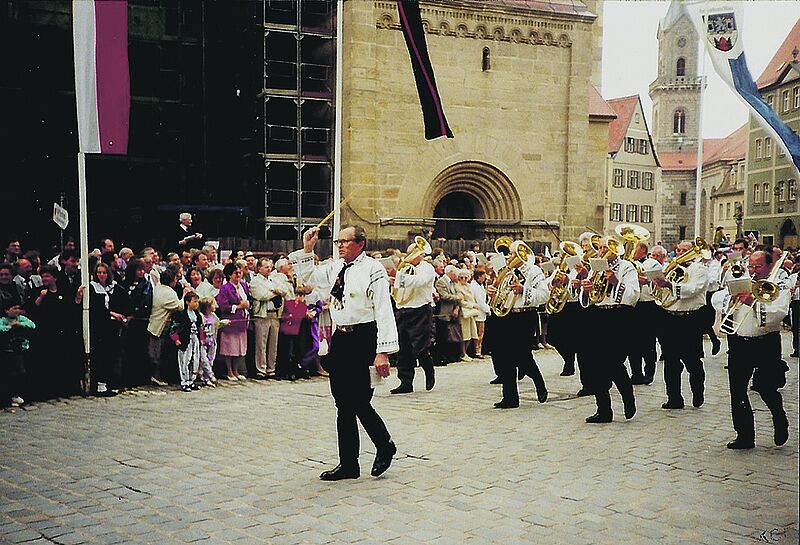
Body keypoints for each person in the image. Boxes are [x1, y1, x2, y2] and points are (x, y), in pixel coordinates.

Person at [290, 225, 398, 481]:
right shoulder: (336, 267)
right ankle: (349, 463)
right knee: (342, 402)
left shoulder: (373, 269)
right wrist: (308, 248)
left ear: (360, 243)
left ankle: (385, 445)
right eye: (337, 241)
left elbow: (383, 310)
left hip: (364, 336)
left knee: (360, 399)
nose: (339, 246)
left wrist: (383, 352)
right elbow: (310, 277)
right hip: (342, 337)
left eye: (345, 242)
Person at [711, 250, 790, 449]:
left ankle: (779, 417)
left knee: (765, 387)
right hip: (739, 343)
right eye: (751, 266)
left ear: (769, 267)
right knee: (737, 390)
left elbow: (779, 312)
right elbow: (717, 298)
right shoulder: (743, 279)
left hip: (766, 342)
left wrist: (752, 302)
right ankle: (745, 436)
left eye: (758, 266)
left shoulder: (779, 285)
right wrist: (731, 297)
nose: (753, 270)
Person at [579, 236, 639, 422]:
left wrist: (615, 281)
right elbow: (587, 300)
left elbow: (633, 296)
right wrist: (586, 289)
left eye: (606, 247)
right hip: (598, 317)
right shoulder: (595, 267)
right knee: (595, 364)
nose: (602, 250)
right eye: (601, 247)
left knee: (613, 362)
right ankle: (603, 409)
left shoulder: (626, 267)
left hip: (618, 317)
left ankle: (627, 395)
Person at [486, 240, 549, 409]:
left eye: (513, 254)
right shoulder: (505, 271)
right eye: (510, 254)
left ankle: (538, 381)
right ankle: (510, 397)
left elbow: (544, 295)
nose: (509, 257)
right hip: (505, 316)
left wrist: (524, 290)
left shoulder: (533, 271)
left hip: (524, 317)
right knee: (503, 356)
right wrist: (491, 291)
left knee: (522, 356)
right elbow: (498, 292)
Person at [651, 239, 709, 410]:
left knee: (692, 361)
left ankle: (697, 392)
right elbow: (662, 293)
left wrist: (669, 284)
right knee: (670, 361)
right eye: (678, 250)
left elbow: (692, 290)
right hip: (670, 317)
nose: (680, 253)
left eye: (684, 250)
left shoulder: (699, 269)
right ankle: (674, 398)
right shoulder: (672, 268)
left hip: (690, 319)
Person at [387, 241, 437, 394]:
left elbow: (419, 282)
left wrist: (399, 277)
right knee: (403, 348)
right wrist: (392, 282)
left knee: (420, 347)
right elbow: (399, 287)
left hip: (420, 309)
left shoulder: (427, 268)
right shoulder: (405, 268)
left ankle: (428, 369)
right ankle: (405, 382)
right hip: (403, 309)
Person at [147, 269, 191, 386]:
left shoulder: (159, 287)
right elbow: (180, 306)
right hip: (158, 326)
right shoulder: (168, 292)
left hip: (156, 323)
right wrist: (185, 294)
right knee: (156, 353)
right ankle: (156, 376)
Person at [216, 263, 250, 381]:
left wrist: (246, 305)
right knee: (229, 347)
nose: (239, 275)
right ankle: (229, 371)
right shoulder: (225, 288)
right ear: (230, 275)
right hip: (231, 321)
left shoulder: (244, 286)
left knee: (239, 348)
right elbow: (223, 306)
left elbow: (248, 300)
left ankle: (236, 370)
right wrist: (238, 306)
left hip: (242, 321)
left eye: (240, 273)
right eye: (236, 273)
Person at [169, 292, 204, 392]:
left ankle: (191, 380)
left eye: (197, 302)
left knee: (195, 359)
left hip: (195, 339)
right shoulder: (181, 315)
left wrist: (201, 338)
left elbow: (200, 327)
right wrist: (176, 339)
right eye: (195, 301)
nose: (197, 304)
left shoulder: (197, 315)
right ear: (187, 302)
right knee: (185, 360)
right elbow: (174, 327)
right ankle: (184, 381)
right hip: (185, 339)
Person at [0, 309, 35, 408]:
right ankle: (9, 397)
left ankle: (16, 394)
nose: (16, 311)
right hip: (7, 351)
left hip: (20, 350)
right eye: (14, 308)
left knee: (21, 372)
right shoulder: (3, 320)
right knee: (9, 374)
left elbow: (32, 325)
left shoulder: (21, 319)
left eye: (17, 308)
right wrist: (9, 327)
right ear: (7, 311)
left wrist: (20, 324)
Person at [198, 297, 225, 387]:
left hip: (212, 340)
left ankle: (206, 379)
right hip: (203, 340)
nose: (216, 306)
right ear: (207, 307)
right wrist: (201, 339)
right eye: (213, 305)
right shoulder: (201, 316)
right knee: (204, 359)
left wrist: (224, 323)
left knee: (210, 359)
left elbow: (218, 325)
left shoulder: (214, 316)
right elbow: (200, 328)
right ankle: (211, 375)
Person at [454, 269, 479, 362]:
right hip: (464, 312)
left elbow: (473, 298)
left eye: (465, 277)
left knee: (472, 333)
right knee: (465, 334)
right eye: (461, 277)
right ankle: (462, 353)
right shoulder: (457, 287)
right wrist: (472, 305)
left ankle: (467, 353)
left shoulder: (469, 286)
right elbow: (461, 301)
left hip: (471, 312)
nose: (464, 279)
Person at [469, 269, 491, 358]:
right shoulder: (474, 286)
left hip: (481, 312)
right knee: (479, 333)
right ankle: (477, 351)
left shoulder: (480, 285)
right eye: (483, 276)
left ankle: (479, 349)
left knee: (481, 333)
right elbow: (480, 301)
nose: (484, 278)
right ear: (479, 276)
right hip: (479, 312)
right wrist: (487, 310)